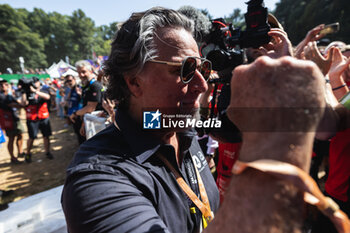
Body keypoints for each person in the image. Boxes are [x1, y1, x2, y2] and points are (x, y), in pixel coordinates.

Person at [62, 7, 220, 233]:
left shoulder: (181, 131)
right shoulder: (98, 179)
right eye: (183, 69)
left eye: (202, 69)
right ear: (134, 83)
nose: (202, 85)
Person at [68, 60, 103, 143]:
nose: (81, 75)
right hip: (88, 121)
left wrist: (75, 113)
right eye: (79, 72)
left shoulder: (95, 85)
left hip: (96, 123)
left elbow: (90, 108)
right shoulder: (86, 85)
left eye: (84, 72)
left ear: (90, 71)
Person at [21, 77, 53, 162]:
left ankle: (47, 152)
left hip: (43, 117)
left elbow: (47, 97)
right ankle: (28, 153)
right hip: (32, 118)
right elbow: (24, 104)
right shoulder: (26, 92)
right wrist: (24, 92)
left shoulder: (43, 90)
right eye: (32, 82)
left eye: (35, 82)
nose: (34, 84)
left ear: (39, 82)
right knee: (31, 137)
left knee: (46, 136)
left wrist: (35, 91)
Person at [0, 79, 25, 164]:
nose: (4, 86)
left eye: (5, 84)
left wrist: (19, 104)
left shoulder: (9, 95)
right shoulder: (1, 96)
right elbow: (11, 104)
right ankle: (12, 157)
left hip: (15, 118)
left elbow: (17, 103)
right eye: (1, 85)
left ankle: (20, 152)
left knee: (20, 134)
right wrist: (19, 105)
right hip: (8, 120)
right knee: (11, 138)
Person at [65, 75, 84, 144]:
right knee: (78, 133)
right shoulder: (71, 89)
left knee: (81, 135)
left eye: (70, 80)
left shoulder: (79, 88)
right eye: (67, 81)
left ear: (74, 79)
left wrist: (81, 94)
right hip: (72, 115)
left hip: (78, 114)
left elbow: (84, 102)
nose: (69, 82)